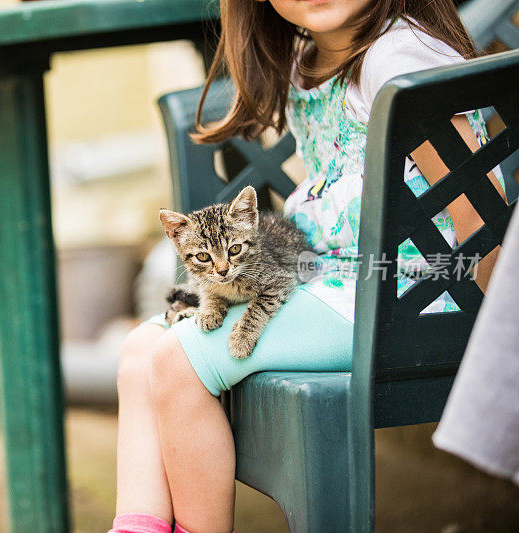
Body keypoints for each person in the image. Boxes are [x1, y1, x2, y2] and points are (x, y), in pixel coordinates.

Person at [111, 1, 507, 532]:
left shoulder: (400, 58)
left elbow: (477, 210)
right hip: (329, 281)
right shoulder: (307, 61)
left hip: (406, 294)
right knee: (139, 353)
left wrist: (498, 327)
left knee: (178, 365)